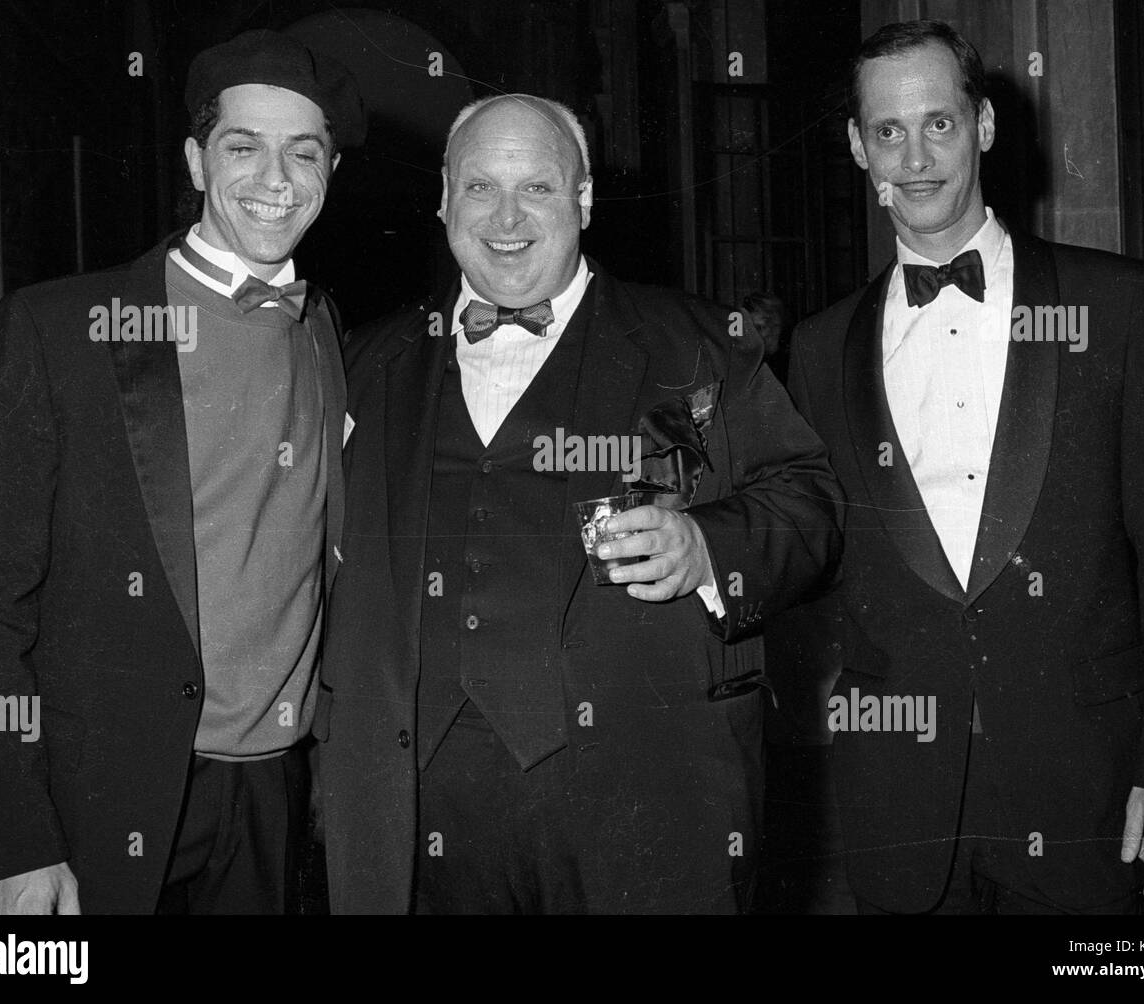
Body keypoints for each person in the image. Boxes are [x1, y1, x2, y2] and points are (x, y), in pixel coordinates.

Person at [319, 93, 843, 913]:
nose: (507, 217)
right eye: (481, 187)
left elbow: (811, 504)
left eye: (538, 188)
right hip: (421, 810)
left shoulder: (698, 344)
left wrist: (710, 547)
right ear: (444, 201)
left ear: (586, 198)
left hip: (642, 802)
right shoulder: (367, 362)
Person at [788, 19, 1144, 914]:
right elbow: (800, 546)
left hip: (1091, 797)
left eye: (938, 124)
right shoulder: (820, 349)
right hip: (897, 807)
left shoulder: (1118, 304)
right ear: (857, 148)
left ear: (984, 127)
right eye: (888, 131)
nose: (915, 157)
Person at [0, 28, 363, 914]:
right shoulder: (59, 329)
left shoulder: (323, 329)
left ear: (330, 172)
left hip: (271, 796)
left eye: (304, 152)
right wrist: (16, 836)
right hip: (91, 804)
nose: (275, 180)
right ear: (196, 162)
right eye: (243, 147)